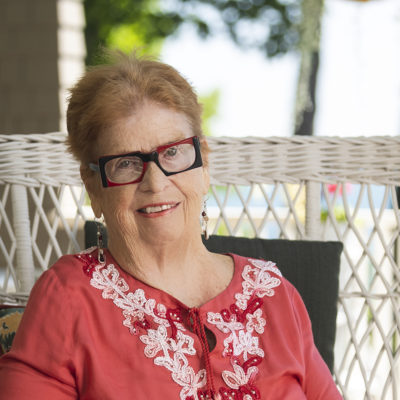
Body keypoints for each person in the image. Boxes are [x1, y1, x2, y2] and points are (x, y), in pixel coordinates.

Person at [0, 52, 342, 400]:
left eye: (173, 153)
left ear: (204, 163)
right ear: (94, 188)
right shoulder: (67, 297)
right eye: (126, 163)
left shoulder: (274, 294)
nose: (155, 182)